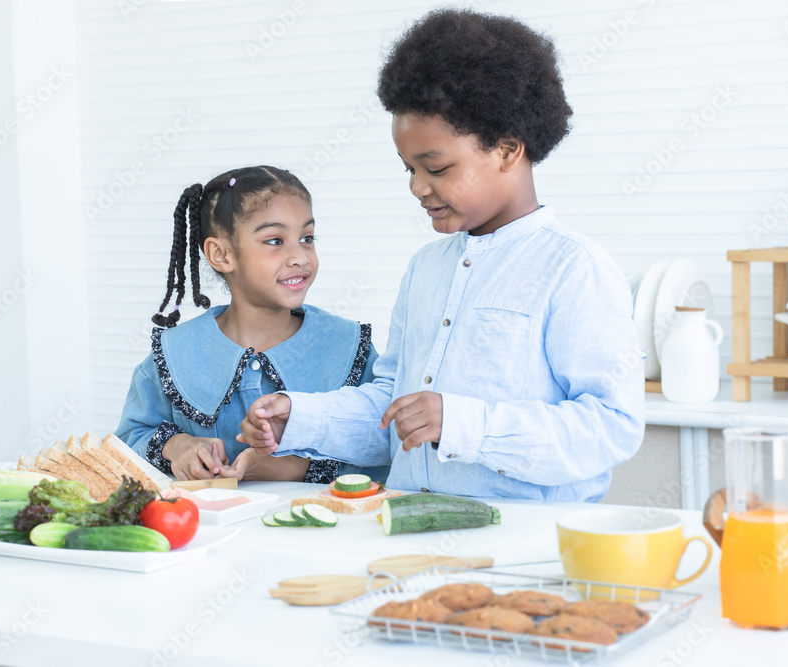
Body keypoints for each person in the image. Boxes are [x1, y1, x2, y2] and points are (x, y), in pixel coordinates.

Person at [238, 10, 644, 501]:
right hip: (410, 528)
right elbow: (394, 410)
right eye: (408, 168)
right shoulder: (426, 268)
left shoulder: (575, 269)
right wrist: (302, 418)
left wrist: (463, 422)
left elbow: (610, 426)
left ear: (507, 149)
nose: (417, 187)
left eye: (437, 168)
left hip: (525, 544)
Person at [115, 165, 389, 484]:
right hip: (209, 532)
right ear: (222, 255)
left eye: (307, 238)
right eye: (275, 240)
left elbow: (386, 447)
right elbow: (128, 440)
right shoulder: (176, 353)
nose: (300, 256)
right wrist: (178, 446)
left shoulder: (347, 347)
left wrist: (291, 468)